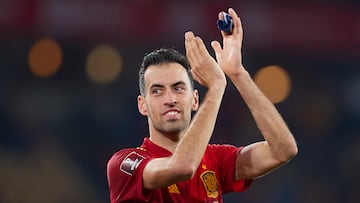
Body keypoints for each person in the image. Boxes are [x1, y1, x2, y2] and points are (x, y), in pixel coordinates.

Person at [107, 7, 298, 203]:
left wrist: (237, 74)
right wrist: (216, 86)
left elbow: (283, 150)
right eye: (157, 91)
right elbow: (182, 167)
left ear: (195, 100)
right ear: (142, 105)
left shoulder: (215, 159)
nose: (170, 99)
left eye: (178, 88)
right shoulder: (125, 163)